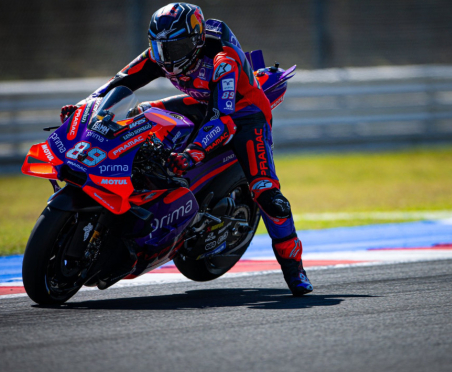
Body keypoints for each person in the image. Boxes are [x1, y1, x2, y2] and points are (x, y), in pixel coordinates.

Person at [60, 3, 313, 296]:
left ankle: (294, 270)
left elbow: (223, 119)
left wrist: (192, 151)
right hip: (203, 103)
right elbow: (121, 83)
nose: (167, 57)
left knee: (269, 195)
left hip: (244, 116)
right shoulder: (161, 54)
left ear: (196, 41)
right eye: (160, 47)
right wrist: (85, 108)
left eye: (176, 47)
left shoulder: (223, 60)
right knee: (139, 116)